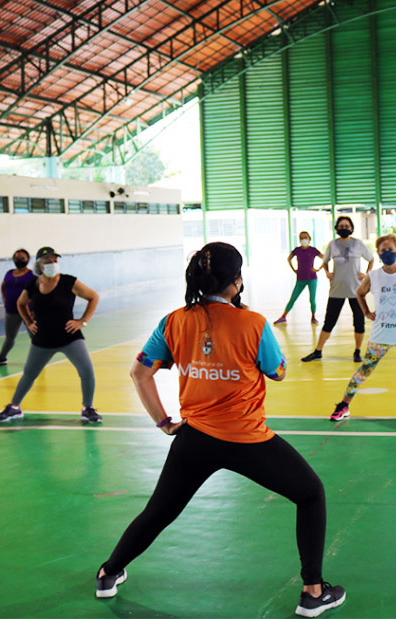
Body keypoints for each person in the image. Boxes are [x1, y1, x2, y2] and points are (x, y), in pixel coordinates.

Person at [96, 242, 345, 618]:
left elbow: (140, 371)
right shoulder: (254, 323)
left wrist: (164, 422)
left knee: (160, 510)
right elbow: (278, 373)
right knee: (310, 494)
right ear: (236, 283)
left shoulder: (174, 321)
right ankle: (312, 591)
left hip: (193, 439)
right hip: (248, 439)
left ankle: (108, 572)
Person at [330, 234, 396, 423]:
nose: (388, 253)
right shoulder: (374, 276)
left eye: (391, 249)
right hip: (381, 336)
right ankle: (343, 405)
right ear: (378, 253)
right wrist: (366, 312)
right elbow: (359, 293)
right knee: (363, 371)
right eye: (383, 250)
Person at [0, 247, 102, 424]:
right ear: (39, 265)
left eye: (54, 261)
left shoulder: (68, 281)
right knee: (29, 374)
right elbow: (21, 304)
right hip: (42, 339)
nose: (52, 264)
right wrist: (28, 322)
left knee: (87, 371)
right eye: (48, 261)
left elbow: (93, 297)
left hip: (69, 336)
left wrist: (82, 321)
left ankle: (87, 408)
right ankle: (14, 407)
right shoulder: (33, 285)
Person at [301, 216, 374, 363]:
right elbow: (325, 261)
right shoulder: (332, 245)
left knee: (359, 322)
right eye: (341, 226)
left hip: (356, 291)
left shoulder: (358, 244)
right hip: (337, 290)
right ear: (336, 228)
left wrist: (366, 273)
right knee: (329, 322)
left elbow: (371, 259)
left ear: (352, 228)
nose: (344, 228)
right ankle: (318, 351)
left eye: (347, 226)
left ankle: (357, 351)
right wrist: (327, 272)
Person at [0, 248, 36, 367]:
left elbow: (36, 292)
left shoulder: (32, 275)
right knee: (10, 337)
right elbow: (3, 285)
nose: (19, 260)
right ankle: (1, 358)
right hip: (11, 311)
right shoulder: (9, 273)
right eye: (17, 258)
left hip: (28, 311)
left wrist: (34, 309)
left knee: (34, 336)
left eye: (22, 258)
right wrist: (4, 297)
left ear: (28, 259)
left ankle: (37, 360)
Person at [274, 231, 323, 325]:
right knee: (293, 298)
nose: (304, 239)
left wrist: (318, 269)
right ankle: (283, 316)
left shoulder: (313, 250)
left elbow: (324, 258)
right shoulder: (297, 250)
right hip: (300, 278)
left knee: (312, 299)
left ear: (309, 239)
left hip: (312, 278)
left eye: (305, 237)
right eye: (302, 238)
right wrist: (294, 269)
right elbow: (289, 258)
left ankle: (313, 317)